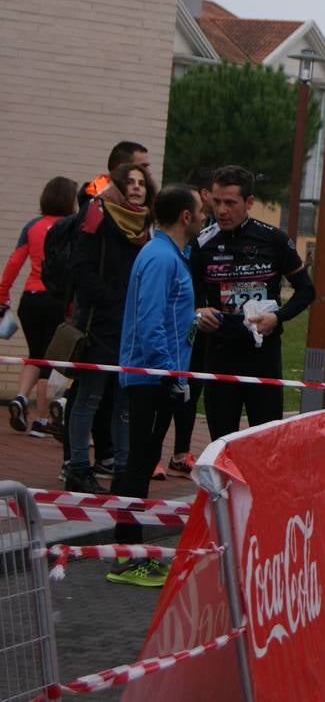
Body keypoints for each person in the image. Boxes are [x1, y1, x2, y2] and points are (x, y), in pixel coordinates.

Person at [109, 185, 201, 587]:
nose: (204, 217)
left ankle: (132, 552)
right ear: (185, 216)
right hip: (150, 378)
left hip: (156, 376)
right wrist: (169, 375)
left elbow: (168, 316)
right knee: (138, 463)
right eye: (200, 211)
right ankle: (127, 558)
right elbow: (150, 323)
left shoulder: (168, 255)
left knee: (141, 462)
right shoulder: (162, 257)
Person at [191, 166, 314, 439]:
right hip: (220, 354)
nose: (222, 210)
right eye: (217, 202)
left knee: (266, 443)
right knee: (221, 443)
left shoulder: (274, 240)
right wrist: (198, 312)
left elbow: (306, 291)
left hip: (263, 355)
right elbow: (189, 293)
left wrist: (277, 318)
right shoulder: (202, 243)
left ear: (249, 203)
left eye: (230, 203)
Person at [64, 164, 154, 493]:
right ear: (117, 185)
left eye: (141, 183)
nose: (136, 188)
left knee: (124, 400)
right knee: (89, 396)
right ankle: (77, 466)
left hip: (131, 326)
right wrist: (111, 301)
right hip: (99, 322)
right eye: (129, 182)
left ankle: (123, 467)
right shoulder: (98, 215)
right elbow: (81, 267)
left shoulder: (146, 225)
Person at [3, 175, 79, 437]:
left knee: (35, 353)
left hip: (30, 299)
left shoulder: (32, 226)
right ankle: (41, 419)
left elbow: (14, 262)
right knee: (52, 358)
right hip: (56, 299)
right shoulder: (72, 227)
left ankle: (21, 397)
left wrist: (2, 295)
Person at [166, 165, 217, 479]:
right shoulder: (177, 242)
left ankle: (181, 452)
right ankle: (150, 457)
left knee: (192, 388)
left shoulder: (211, 229)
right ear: (203, 195)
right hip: (180, 325)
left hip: (203, 325)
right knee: (170, 391)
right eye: (215, 195)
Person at [80, 140, 150, 206]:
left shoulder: (146, 195)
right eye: (142, 167)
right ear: (121, 168)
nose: (148, 172)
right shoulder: (96, 198)